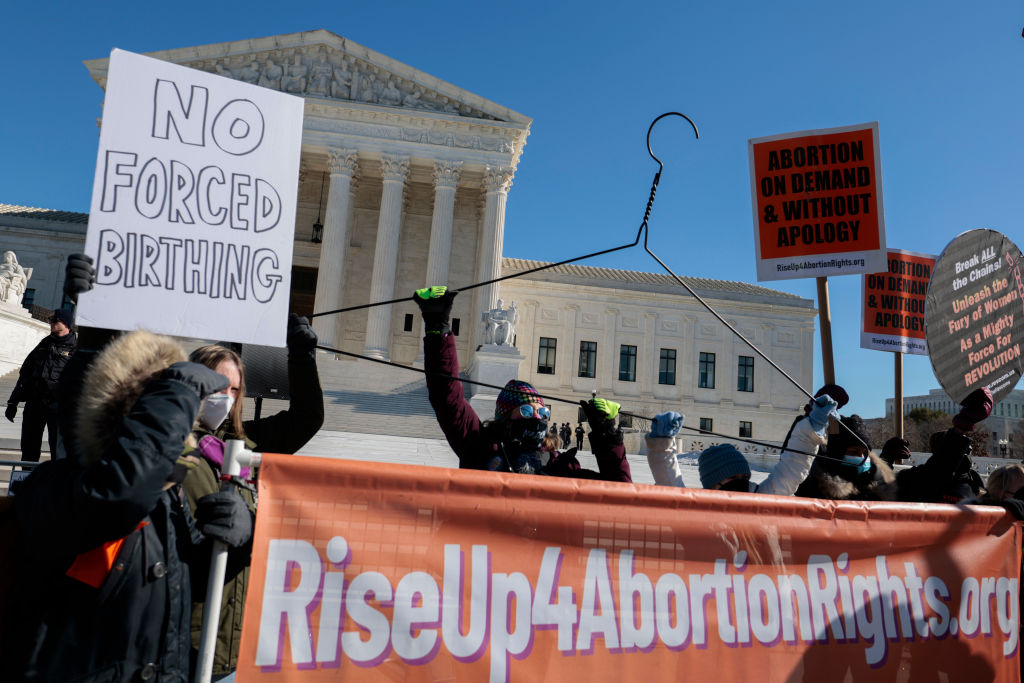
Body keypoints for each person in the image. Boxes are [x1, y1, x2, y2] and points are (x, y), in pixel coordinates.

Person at [2, 328, 251, 682]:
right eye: (168, 410)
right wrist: (177, 389)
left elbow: (190, 585)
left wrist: (235, 544)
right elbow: (118, 497)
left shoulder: (167, 498)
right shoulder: (56, 485)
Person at [181, 313, 323, 678]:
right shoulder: (166, 451)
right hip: (182, 640)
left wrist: (301, 358)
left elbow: (307, 418)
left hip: (234, 643)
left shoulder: (247, 446)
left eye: (234, 390)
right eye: (217, 387)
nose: (225, 398)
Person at [414, 286, 630, 481]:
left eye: (543, 413)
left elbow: (620, 494)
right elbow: (447, 397)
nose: (537, 418)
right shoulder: (480, 446)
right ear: (505, 417)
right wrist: (437, 327)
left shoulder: (562, 466)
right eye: (527, 410)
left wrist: (607, 435)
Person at [645, 394, 837, 493]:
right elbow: (669, 483)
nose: (740, 481)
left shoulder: (761, 499)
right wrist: (662, 443)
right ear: (712, 483)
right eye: (732, 477)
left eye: (743, 476)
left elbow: (792, 469)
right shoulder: (699, 508)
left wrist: (811, 429)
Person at [6, 308, 77, 462]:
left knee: (58, 449)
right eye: (50, 320)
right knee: (29, 447)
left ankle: (56, 483)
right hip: (35, 403)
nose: (50, 323)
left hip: (57, 406)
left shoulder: (75, 349)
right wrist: (13, 402)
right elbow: (25, 375)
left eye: (54, 320)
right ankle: (27, 478)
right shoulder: (43, 344)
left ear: (66, 323)